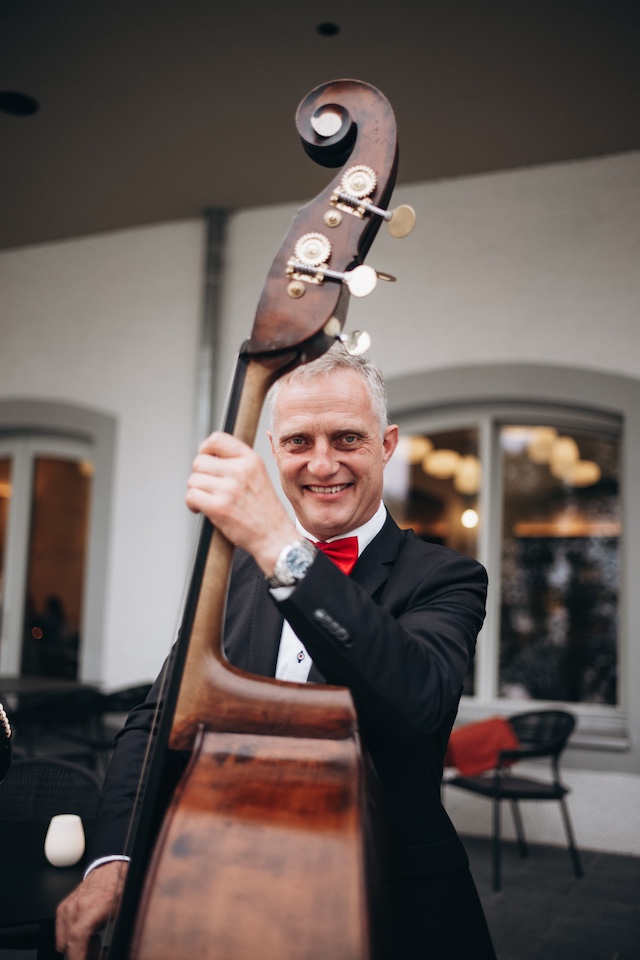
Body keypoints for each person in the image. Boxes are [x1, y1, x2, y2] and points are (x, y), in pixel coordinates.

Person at [56, 345, 496, 959]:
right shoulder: (231, 573)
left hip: (393, 907)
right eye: (298, 442)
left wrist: (279, 544)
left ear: (388, 444)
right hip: (225, 891)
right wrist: (115, 855)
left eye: (347, 438)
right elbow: (158, 721)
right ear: (272, 448)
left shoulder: (447, 576)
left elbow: (416, 703)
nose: (322, 464)